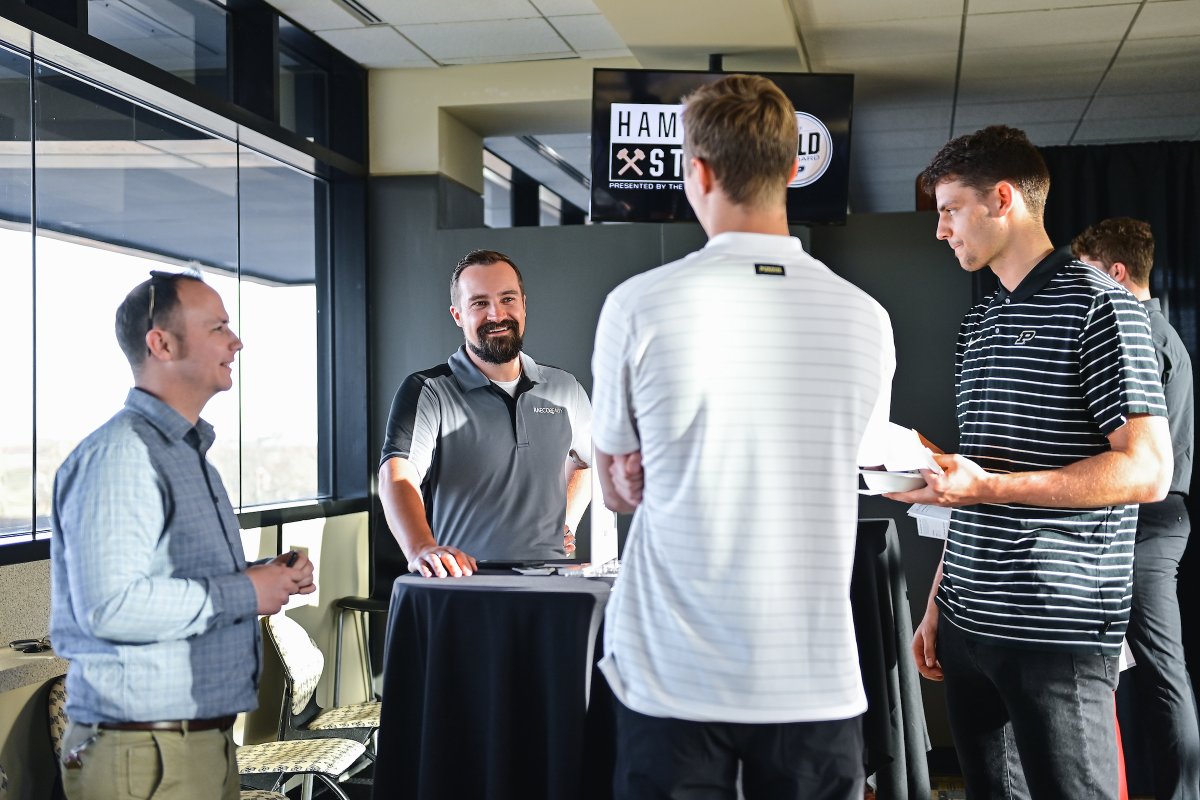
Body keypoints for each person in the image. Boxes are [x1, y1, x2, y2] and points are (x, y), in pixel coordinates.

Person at [590, 74, 897, 800]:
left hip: (671, 679)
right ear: (793, 169)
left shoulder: (636, 306)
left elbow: (615, 486)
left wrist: (645, 467)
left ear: (696, 172)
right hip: (813, 679)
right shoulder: (866, 318)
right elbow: (863, 457)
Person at [893, 126, 1174, 799]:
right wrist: (939, 602)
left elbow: (1146, 470)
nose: (941, 231)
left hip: (1057, 630)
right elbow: (977, 478)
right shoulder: (981, 322)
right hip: (967, 622)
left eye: (949, 210)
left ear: (1002, 199)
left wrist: (988, 484)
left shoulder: (1102, 306)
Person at [50, 270, 316, 800]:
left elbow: (171, 580)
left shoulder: (186, 454)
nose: (236, 341)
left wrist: (263, 578)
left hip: (197, 744)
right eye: (218, 327)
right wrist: (245, 591)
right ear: (162, 343)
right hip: (147, 755)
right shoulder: (123, 456)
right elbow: (111, 606)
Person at [1072, 217, 1197, 800]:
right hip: (1152, 518)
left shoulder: (1137, 333)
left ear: (1116, 272)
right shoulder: (1160, 330)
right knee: (1141, 669)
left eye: (1089, 271)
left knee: (1159, 667)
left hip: (1148, 523)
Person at [379, 249, 592, 578]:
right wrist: (421, 547)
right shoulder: (429, 391)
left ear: (523, 304)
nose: (497, 314)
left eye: (508, 299)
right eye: (479, 303)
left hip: (552, 584)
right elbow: (397, 475)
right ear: (458, 315)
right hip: (466, 584)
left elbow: (587, 460)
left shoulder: (566, 389)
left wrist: (567, 522)